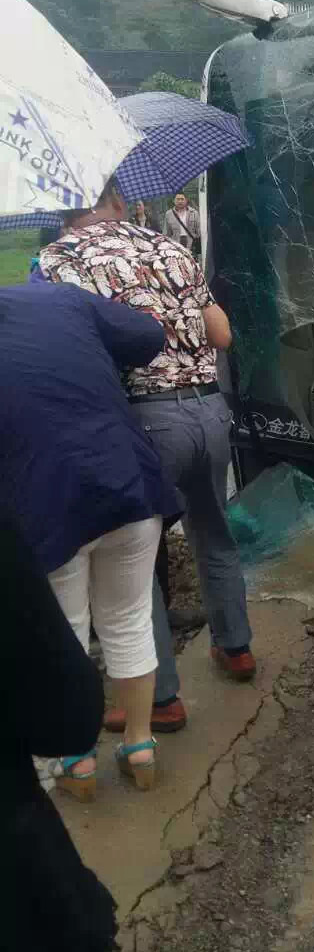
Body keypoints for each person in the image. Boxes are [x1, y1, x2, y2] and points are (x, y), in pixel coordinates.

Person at [40, 181, 255, 739]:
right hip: (210, 409)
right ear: (116, 199)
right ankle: (236, 649)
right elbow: (223, 334)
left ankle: (160, 699)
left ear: (69, 211)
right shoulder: (167, 245)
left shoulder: (62, 257)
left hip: (144, 418)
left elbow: (57, 350)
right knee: (214, 533)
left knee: (135, 565)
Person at [0, 282, 180, 795]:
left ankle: (77, 760)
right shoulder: (57, 297)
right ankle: (141, 747)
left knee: (67, 631)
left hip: (42, 501)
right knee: (127, 618)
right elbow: (146, 336)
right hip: (128, 479)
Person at [1, 521, 120, 950]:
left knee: (83, 613)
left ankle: (80, 771)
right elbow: (67, 713)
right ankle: (139, 741)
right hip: (20, 890)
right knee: (128, 617)